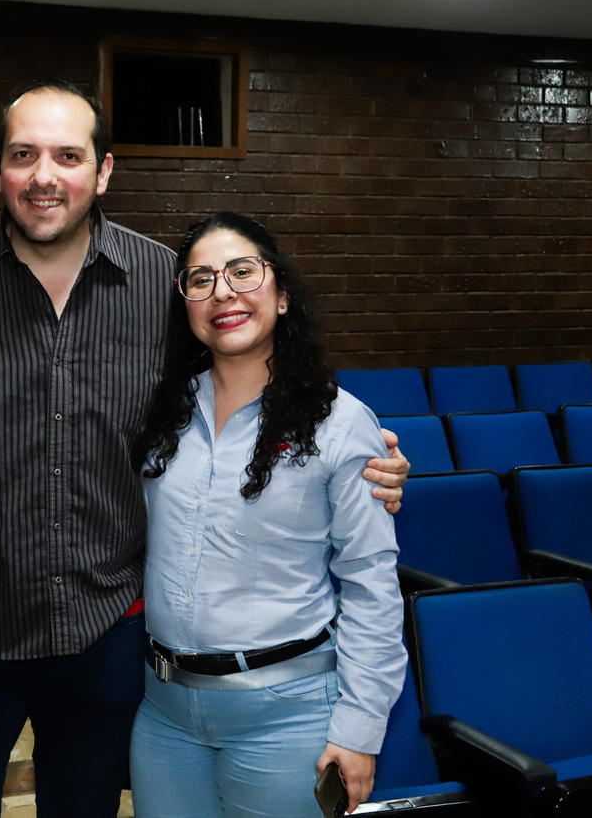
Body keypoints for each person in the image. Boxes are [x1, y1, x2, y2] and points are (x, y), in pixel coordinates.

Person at [0, 81, 410, 817]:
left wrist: (356, 448)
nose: (44, 176)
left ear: (104, 170)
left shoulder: (164, 288)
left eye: (68, 156)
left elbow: (242, 375)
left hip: (104, 638)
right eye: (23, 155)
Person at [128, 212, 407, 817]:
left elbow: (371, 583)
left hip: (287, 719)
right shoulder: (158, 413)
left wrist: (360, 728)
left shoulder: (338, 422)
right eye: (200, 279)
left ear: (281, 295)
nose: (222, 291)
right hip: (165, 716)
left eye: (242, 272)